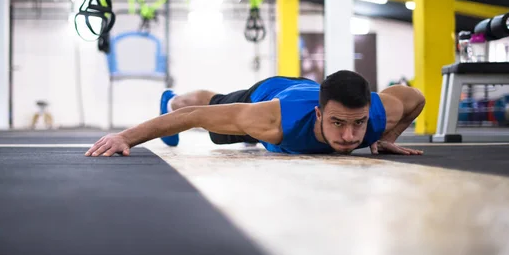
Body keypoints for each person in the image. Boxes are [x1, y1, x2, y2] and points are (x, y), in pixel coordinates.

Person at [85, 70, 426, 157]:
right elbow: (194, 116)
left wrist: (386, 138)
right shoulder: (269, 119)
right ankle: (169, 96)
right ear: (320, 115)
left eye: (358, 124)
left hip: (306, 88)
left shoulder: (380, 114)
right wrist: (124, 137)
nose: (351, 137)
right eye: (338, 123)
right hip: (271, 92)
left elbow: (416, 97)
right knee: (215, 103)